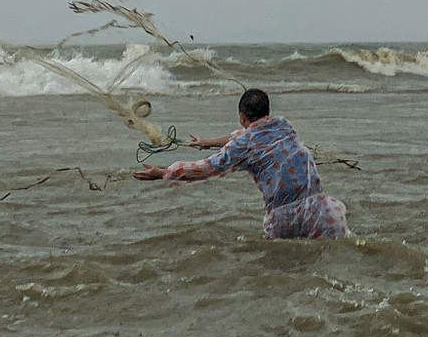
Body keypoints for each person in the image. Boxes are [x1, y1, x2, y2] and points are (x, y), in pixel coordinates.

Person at [136, 87, 348, 239]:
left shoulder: (244, 143)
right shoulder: (283, 125)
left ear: (242, 116)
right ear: (268, 111)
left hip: (286, 220)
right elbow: (246, 137)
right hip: (324, 213)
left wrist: (164, 172)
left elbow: (207, 168)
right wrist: (207, 143)